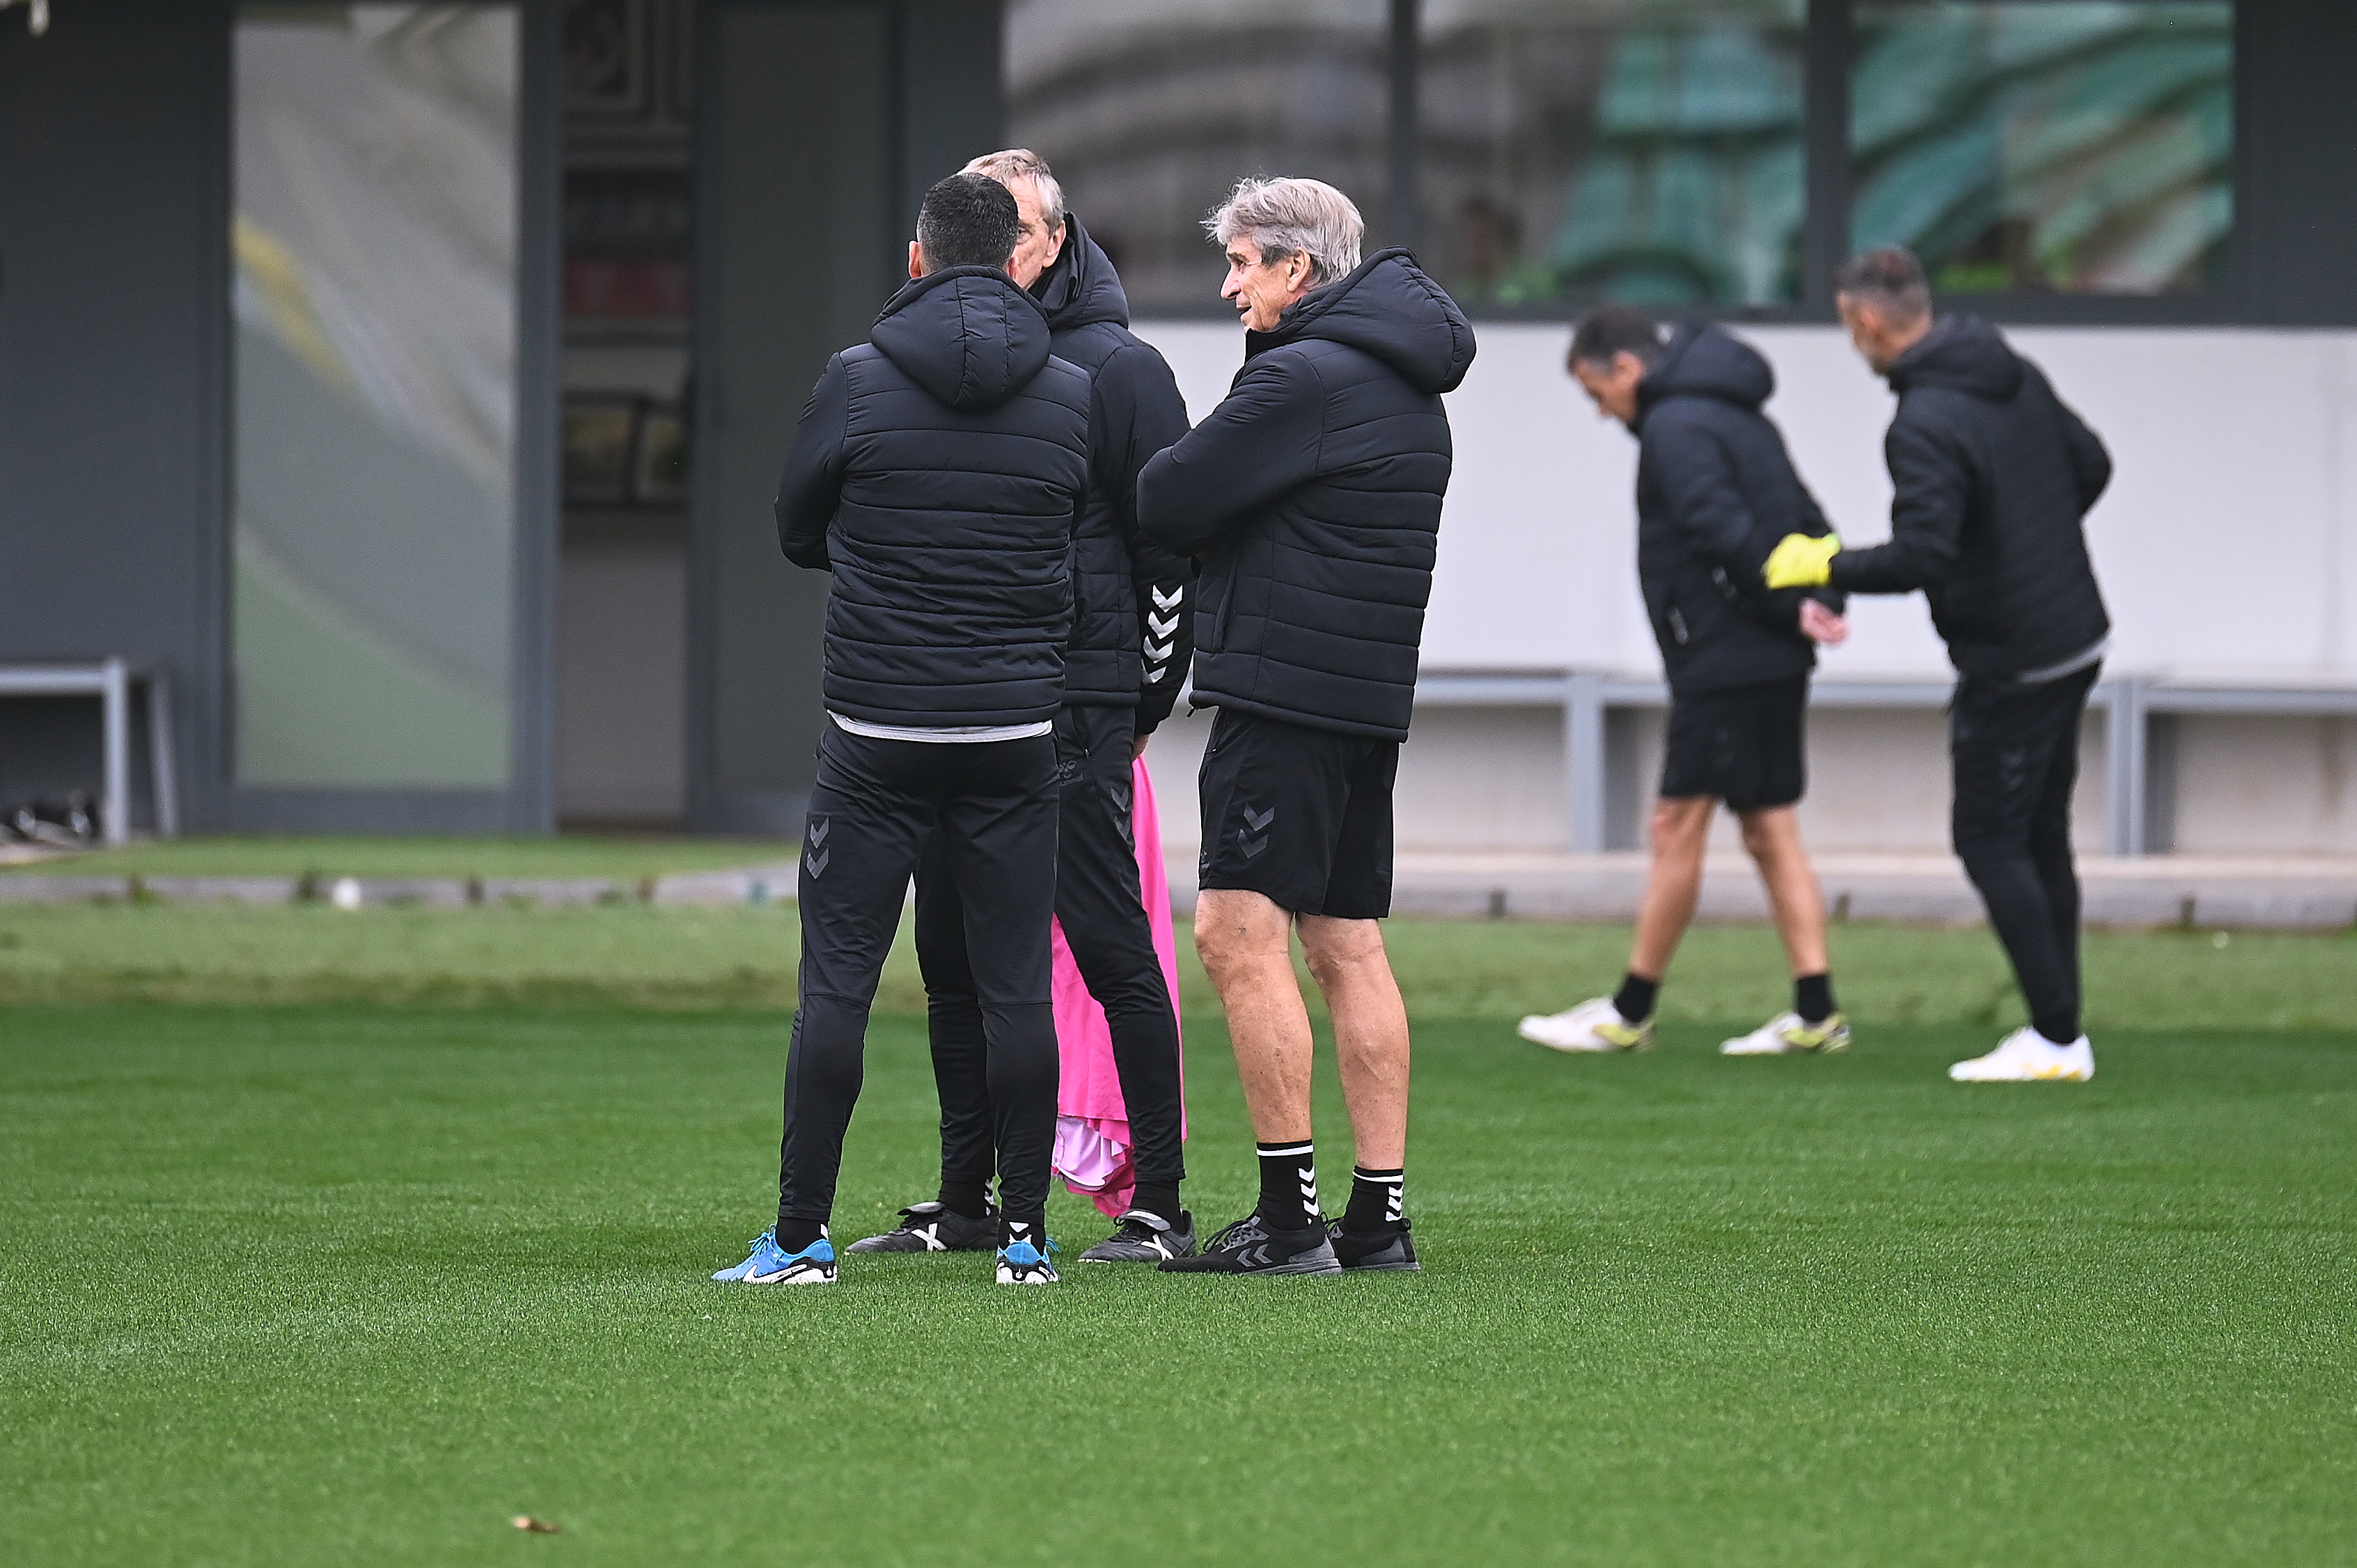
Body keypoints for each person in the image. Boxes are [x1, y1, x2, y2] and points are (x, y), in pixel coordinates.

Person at [711, 173, 1090, 1287]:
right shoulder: (1069, 391)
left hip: (876, 732)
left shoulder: (856, 379)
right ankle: (1025, 1240)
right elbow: (1069, 529)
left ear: (916, 260)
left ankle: (798, 1240)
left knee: (837, 986)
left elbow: (795, 528)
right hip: (1015, 732)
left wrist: (882, 558)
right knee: (1017, 988)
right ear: (1026, 258)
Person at [847, 148, 1200, 1265]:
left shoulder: (1122, 367)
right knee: (955, 959)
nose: (998, 242)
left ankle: (1158, 1204)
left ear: (1049, 244)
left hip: (1080, 704)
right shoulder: (933, 364)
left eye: (1018, 223)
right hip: (969, 697)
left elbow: (1169, 548)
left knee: (1108, 948)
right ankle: (969, 1204)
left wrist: (1143, 696)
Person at [1137, 176, 1475, 1276]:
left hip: (1283, 695)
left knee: (1235, 937)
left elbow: (1169, 499)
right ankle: (1377, 1223)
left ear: (1296, 268)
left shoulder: (1302, 378)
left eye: (1242, 265)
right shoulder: (1405, 380)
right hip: (1365, 701)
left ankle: (1287, 1224)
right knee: (1346, 943)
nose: (1230, 287)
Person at [1764, 244, 2112, 1084]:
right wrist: (2030, 540)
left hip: (2014, 656)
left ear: (1865, 320)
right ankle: (2058, 1026)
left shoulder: (1922, 420)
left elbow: (1924, 554)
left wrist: (1825, 563)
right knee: (2038, 835)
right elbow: (2092, 464)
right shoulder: (2010, 369)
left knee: (1990, 838)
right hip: (2076, 636)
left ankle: (2058, 1039)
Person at [1518, 306, 1853, 1059]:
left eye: (1593, 391)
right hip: (1768, 658)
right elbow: (1806, 518)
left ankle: (1628, 1012)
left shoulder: (1675, 428)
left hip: (1728, 663)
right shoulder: (1740, 418)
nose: (1601, 412)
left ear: (1627, 369)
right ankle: (1817, 1010)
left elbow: (1719, 529)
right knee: (1769, 827)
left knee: (1676, 823)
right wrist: (1820, 598)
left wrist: (1793, 604)